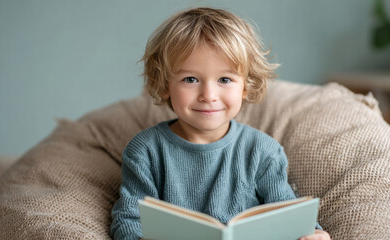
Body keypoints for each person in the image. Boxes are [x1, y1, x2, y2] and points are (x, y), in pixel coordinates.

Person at [110, 7, 330, 240]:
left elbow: (288, 213)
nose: (208, 95)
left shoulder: (263, 151)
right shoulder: (145, 151)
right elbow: (129, 219)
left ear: (245, 86)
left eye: (225, 79)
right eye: (190, 79)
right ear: (165, 85)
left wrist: (313, 233)